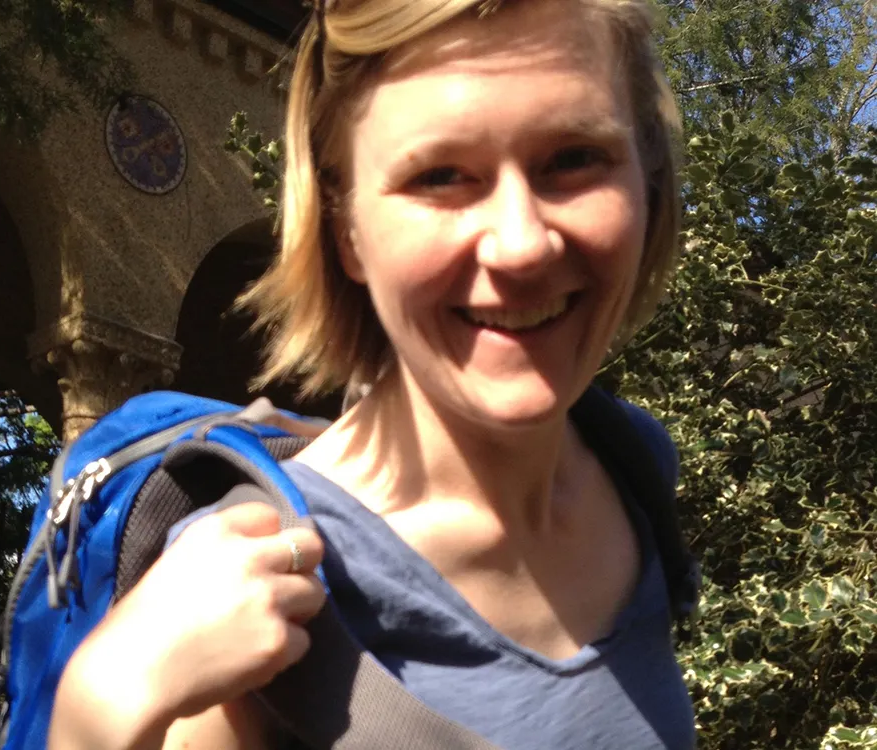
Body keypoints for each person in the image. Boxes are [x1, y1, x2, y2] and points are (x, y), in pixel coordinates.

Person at [48, 0, 693, 747]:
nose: (521, 245)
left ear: (646, 183)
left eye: (574, 159)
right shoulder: (246, 598)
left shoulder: (634, 465)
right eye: (441, 175)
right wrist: (95, 714)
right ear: (346, 229)